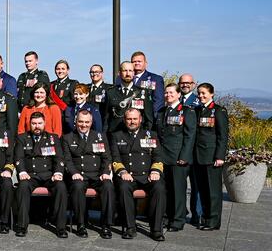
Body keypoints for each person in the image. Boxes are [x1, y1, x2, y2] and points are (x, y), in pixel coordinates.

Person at [110, 108, 166, 241]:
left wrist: (155, 171)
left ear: (140, 120)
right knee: (123, 188)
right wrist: (122, 171)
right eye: (129, 119)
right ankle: (130, 227)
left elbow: (158, 156)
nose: (132, 122)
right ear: (124, 120)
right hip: (128, 175)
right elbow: (115, 158)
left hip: (147, 175)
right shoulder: (117, 136)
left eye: (135, 119)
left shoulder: (150, 135)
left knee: (160, 188)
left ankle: (156, 229)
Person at [13, 112, 68, 238]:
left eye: (39, 123)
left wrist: (58, 172)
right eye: (33, 124)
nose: (36, 126)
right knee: (22, 187)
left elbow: (59, 158)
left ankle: (61, 227)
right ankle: (22, 226)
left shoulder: (53, 138)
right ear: (29, 124)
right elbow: (19, 157)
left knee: (61, 187)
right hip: (30, 175)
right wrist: (21, 171)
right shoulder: (22, 138)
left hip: (49, 175)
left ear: (44, 124)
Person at [62, 110, 114, 239]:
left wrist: (106, 173)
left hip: (97, 175)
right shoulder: (67, 138)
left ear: (91, 122)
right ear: (75, 121)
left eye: (87, 122)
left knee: (108, 186)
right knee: (78, 187)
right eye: (80, 121)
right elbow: (67, 160)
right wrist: (73, 172)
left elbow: (107, 158)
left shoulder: (100, 136)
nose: (83, 125)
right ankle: (81, 224)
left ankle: (106, 225)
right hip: (79, 175)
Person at [154, 84, 196, 231]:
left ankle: (178, 220)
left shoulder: (186, 111)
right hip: (162, 157)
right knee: (165, 190)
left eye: (171, 92)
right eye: (166, 92)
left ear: (178, 95)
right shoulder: (161, 111)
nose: (168, 95)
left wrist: (184, 156)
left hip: (178, 158)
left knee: (178, 190)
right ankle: (166, 217)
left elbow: (190, 136)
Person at [193, 83, 229, 231]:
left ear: (212, 94)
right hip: (198, 156)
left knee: (213, 191)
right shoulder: (197, 110)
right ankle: (207, 218)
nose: (201, 96)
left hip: (212, 157)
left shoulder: (218, 111)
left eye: (204, 93)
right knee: (203, 190)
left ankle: (214, 221)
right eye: (199, 93)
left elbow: (223, 136)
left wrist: (220, 156)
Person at [179, 73, 203, 225]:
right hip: (177, 151)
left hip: (194, 151)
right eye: (182, 83)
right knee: (179, 186)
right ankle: (180, 212)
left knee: (196, 186)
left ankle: (197, 214)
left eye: (188, 83)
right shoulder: (173, 99)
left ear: (193, 84)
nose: (185, 85)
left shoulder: (198, 102)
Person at [104, 61, 153, 132]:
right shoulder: (110, 92)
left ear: (134, 73)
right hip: (115, 135)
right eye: (125, 70)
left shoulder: (142, 93)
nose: (128, 74)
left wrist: (144, 135)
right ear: (119, 73)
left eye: (130, 71)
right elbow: (106, 118)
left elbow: (149, 119)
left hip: (136, 136)